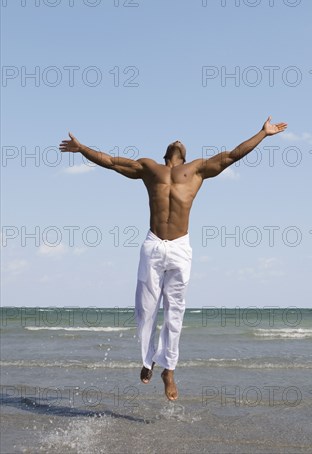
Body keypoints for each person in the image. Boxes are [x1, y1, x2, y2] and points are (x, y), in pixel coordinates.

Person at [59, 116, 287, 400]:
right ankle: (147, 361)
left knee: (174, 313)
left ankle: (169, 370)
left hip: (180, 246)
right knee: (145, 310)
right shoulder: (149, 168)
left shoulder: (198, 169)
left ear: (183, 154)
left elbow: (232, 155)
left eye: (181, 141)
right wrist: (83, 149)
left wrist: (262, 134)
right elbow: (111, 161)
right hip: (153, 244)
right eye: (174, 141)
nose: (178, 139)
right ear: (166, 152)